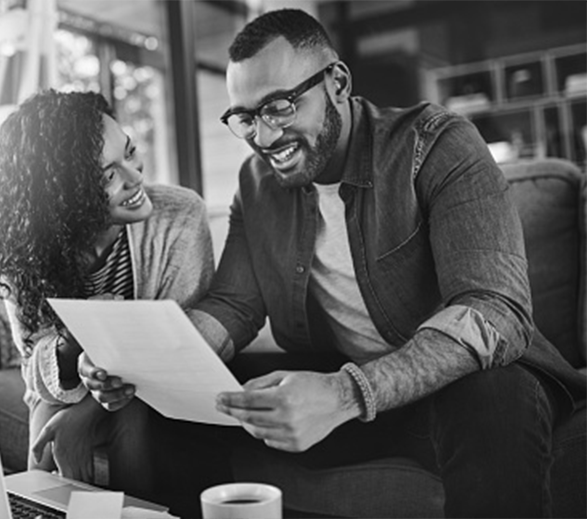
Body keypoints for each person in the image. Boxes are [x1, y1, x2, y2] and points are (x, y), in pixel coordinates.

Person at [80, 8, 586, 517]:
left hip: (450, 390)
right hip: (344, 386)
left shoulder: (436, 146)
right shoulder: (257, 185)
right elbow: (234, 304)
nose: (264, 136)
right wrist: (149, 364)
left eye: (279, 107)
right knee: (167, 410)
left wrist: (346, 394)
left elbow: (494, 309)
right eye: (246, 117)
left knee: (493, 395)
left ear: (337, 82)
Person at [0, 90, 214, 500]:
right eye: (107, 175)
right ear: (63, 195)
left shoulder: (180, 216)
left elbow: (181, 348)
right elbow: (36, 367)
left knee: (128, 412)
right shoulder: (26, 246)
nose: (135, 178)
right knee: (46, 412)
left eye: (129, 153)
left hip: (156, 392)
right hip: (68, 387)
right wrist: (73, 342)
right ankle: (40, 507)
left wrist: (84, 415)